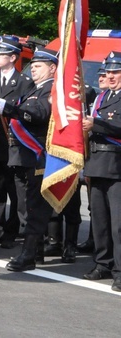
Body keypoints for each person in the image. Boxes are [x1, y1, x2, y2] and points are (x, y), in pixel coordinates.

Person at [0, 48, 57, 272]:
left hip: (40, 157)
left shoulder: (51, 89)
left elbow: (38, 114)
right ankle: (34, 253)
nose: (33, 69)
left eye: (39, 66)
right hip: (27, 157)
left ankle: (29, 255)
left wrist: (9, 109)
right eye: (33, 65)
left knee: (34, 209)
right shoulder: (35, 88)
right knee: (30, 206)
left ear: (52, 68)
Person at [0, 36, 33, 249]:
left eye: (2, 54)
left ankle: (11, 233)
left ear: (13, 57)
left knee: (15, 191)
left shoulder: (24, 83)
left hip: (14, 143)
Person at [81, 52, 121, 291]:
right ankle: (103, 263)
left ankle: (119, 270)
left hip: (116, 165)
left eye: (116, 72)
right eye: (109, 72)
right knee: (100, 221)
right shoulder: (102, 97)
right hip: (97, 163)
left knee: (118, 224)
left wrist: (96, 124)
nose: (111, 76)